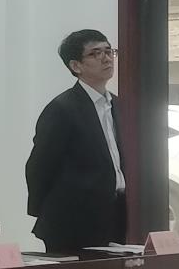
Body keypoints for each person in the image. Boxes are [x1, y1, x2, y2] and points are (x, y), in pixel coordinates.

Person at [26, 30, 127, 254]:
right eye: (96, 53)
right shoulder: (62, 109)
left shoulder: (119, 106)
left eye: (109, 51)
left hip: (117, 213)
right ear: (76, 65)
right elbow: (39, 167)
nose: (106, 58)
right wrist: (48, 210)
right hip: (74, 220)